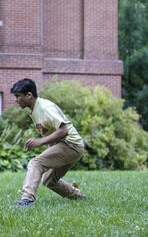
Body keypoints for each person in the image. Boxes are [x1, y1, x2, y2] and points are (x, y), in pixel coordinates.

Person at [10, 78, 87, 206]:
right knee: (49, 180)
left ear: (29, 95)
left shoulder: (45, 107)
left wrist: (40, 142)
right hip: (68, 146)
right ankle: (79, 197)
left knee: (35, 163)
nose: (16, 100)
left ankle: (27, 200)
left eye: (18, 96)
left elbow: (64, 131)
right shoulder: (35, 109)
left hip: (71, 145)